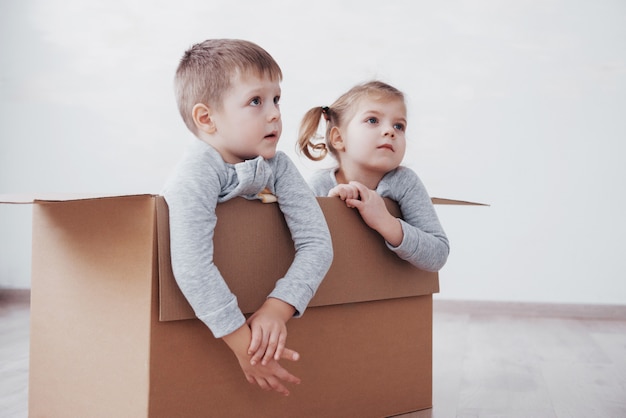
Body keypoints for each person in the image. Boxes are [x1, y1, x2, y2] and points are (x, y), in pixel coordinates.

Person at [162, 39, 333, 396]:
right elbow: (192, 266)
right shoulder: (196, 172)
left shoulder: (278, 166)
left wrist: (277, 308)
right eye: (256, 101)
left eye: (276, 99)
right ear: (207, 118)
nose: (274, 114)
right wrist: (244, 344)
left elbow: (317, 243)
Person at [297, 80, 449, 272]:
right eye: (373, 120)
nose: (389, 131)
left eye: (399, 126)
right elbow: (301, 246)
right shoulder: (321, 186)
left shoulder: (404, 182)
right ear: (339, 138)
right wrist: (333, 210)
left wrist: (385, 221)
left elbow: (438, 255)